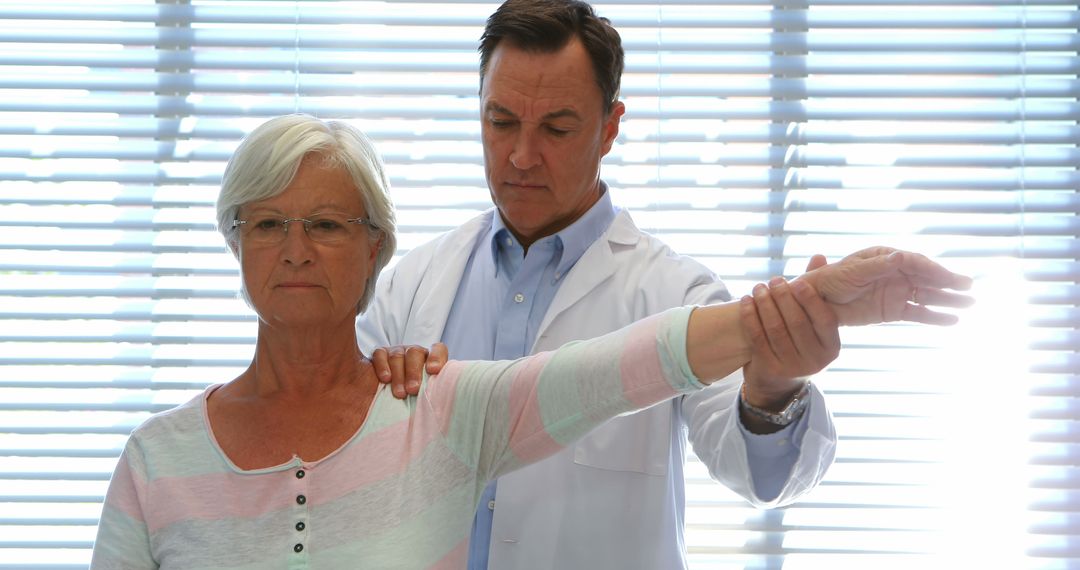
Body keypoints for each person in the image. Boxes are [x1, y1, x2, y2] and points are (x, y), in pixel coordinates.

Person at [90, 113, 971, 569]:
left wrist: (793, 315)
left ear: (371, 248)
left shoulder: (447, 406)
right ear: (231, 241)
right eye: (266, 222)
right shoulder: (156, 460)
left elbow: (636, 363)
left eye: (324, 222)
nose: (293, 249)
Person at [356, 1, 972, 568]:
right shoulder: (411, 286)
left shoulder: (679, 294)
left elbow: (754, 473)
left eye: (557, 128)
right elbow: (330, 462)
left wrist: (773, 390)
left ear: (610, 128)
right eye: (502, 121)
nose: (520, 155)